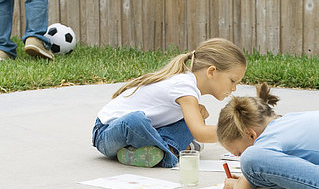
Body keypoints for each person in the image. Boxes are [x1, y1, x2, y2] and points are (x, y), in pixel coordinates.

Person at [92, 38, 247, 168]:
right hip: (107, 133)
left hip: (144, 131)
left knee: (194, 119)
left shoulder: (188, 86)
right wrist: (238, 132)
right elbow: (200, 133)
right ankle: (170, 153)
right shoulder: (184, 86)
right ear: (211, 71)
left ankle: (151, 152)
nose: (234, 88)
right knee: (135, 120)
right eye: (232, 81)